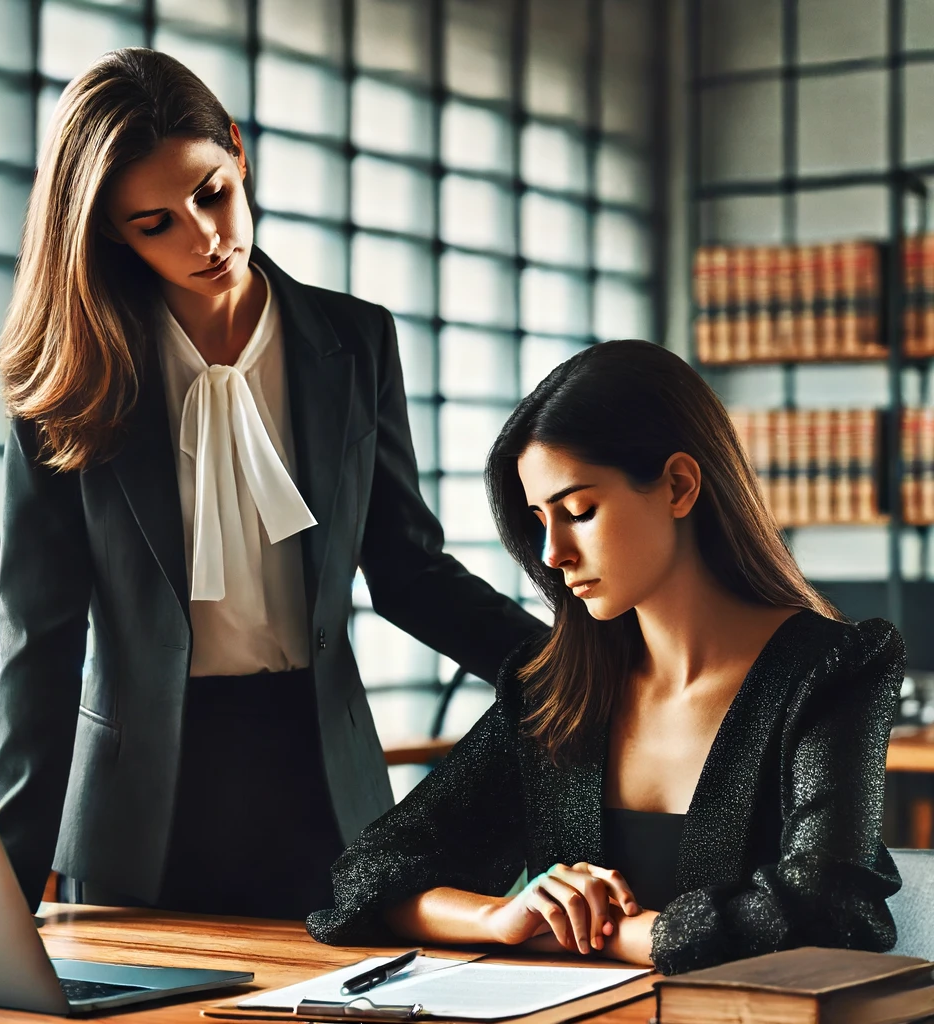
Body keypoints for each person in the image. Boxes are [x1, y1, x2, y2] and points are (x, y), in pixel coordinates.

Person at [0, 47, 545, 920]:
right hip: (142, 814)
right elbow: (40, 643)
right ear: (108, 232)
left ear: (238, 153)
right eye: (154, 223)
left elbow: (409, 570)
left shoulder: (355, 344)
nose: (206, 238)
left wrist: (561, 671)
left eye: (211, 192)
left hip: (324, 787)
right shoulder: (68, 382)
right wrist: (4, 894)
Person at [306, 339, 905, 975]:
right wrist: (503, 918)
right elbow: (364, 879)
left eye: (578, 511)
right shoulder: (553, 690)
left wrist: (622, 935)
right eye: (538, 519)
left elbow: (828, 915)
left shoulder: (833, 669)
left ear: (678, 485)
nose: (551, 552)